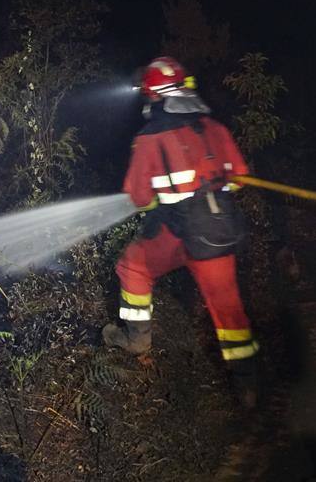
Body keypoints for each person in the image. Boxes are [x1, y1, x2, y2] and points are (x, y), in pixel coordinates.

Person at [102, 56, 260, 408]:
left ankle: (136, 339)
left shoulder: (149, 138)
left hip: (175, 235)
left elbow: (139, 197)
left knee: (133, 267)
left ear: (152, 96)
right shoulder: (214, 128)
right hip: (217, 233)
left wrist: (166, 199)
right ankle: (247, 385)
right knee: (228, 309)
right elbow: (239, 175)